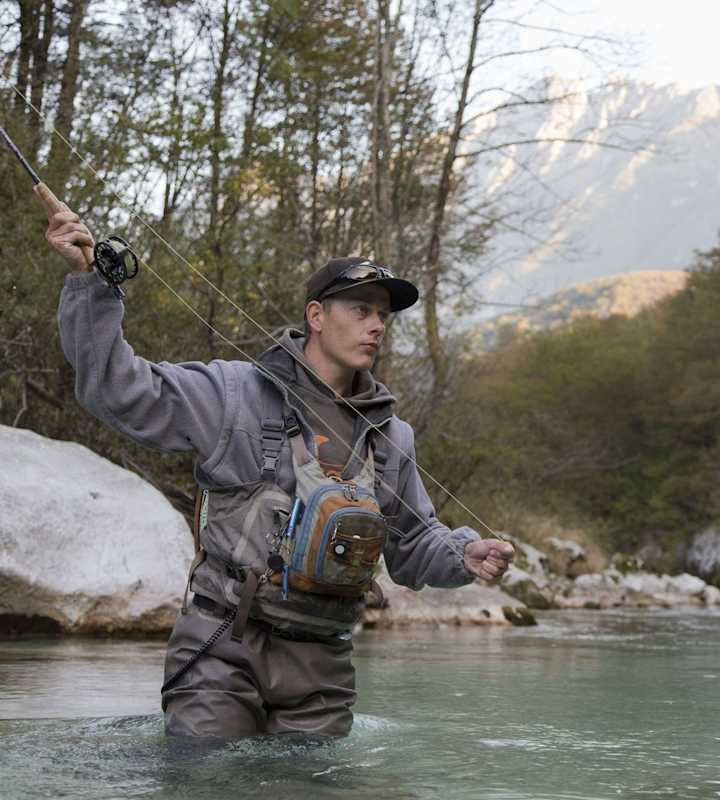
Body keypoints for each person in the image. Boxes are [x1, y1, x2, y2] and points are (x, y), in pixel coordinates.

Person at [46, 207, 514, 738]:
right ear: (316, 316)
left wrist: (463, 555)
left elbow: (411, 549)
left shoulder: (393, 436)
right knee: (208, 780)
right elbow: (117, 389)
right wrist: (91, 283)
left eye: (383, 315)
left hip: (323, 667)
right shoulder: (232, 393)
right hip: (221, 645)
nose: (376, 325)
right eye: (360, 309)